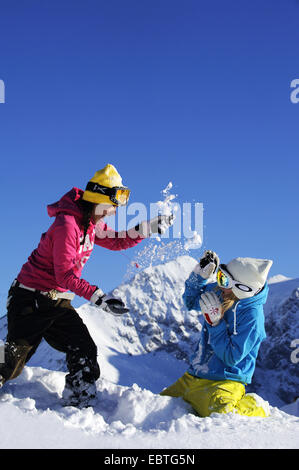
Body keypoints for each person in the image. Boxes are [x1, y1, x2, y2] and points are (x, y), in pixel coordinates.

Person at [0, 163, 173, 407]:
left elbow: (117, 241)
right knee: (11, 361)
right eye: (112, 206)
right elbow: (65, 276)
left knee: (84, 349)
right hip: (30, 298)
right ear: (98, 198)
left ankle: (79, 402)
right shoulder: (68, 226)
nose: (113, 212)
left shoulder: (90, 224)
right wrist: (99, 297)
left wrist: (146, 228)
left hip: (56, 300)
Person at [160, 250, 273, 418]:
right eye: (221, 276)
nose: (220, 284)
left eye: (225, 280)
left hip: (225, 382)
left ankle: (256, 407)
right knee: (156, 406)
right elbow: (191, 302)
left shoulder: (252, 319)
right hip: (193, 376)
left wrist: (215, 324)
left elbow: (231, 357)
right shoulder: (222, 291)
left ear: (242, 288)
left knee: (223, 415)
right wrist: (199, 276)